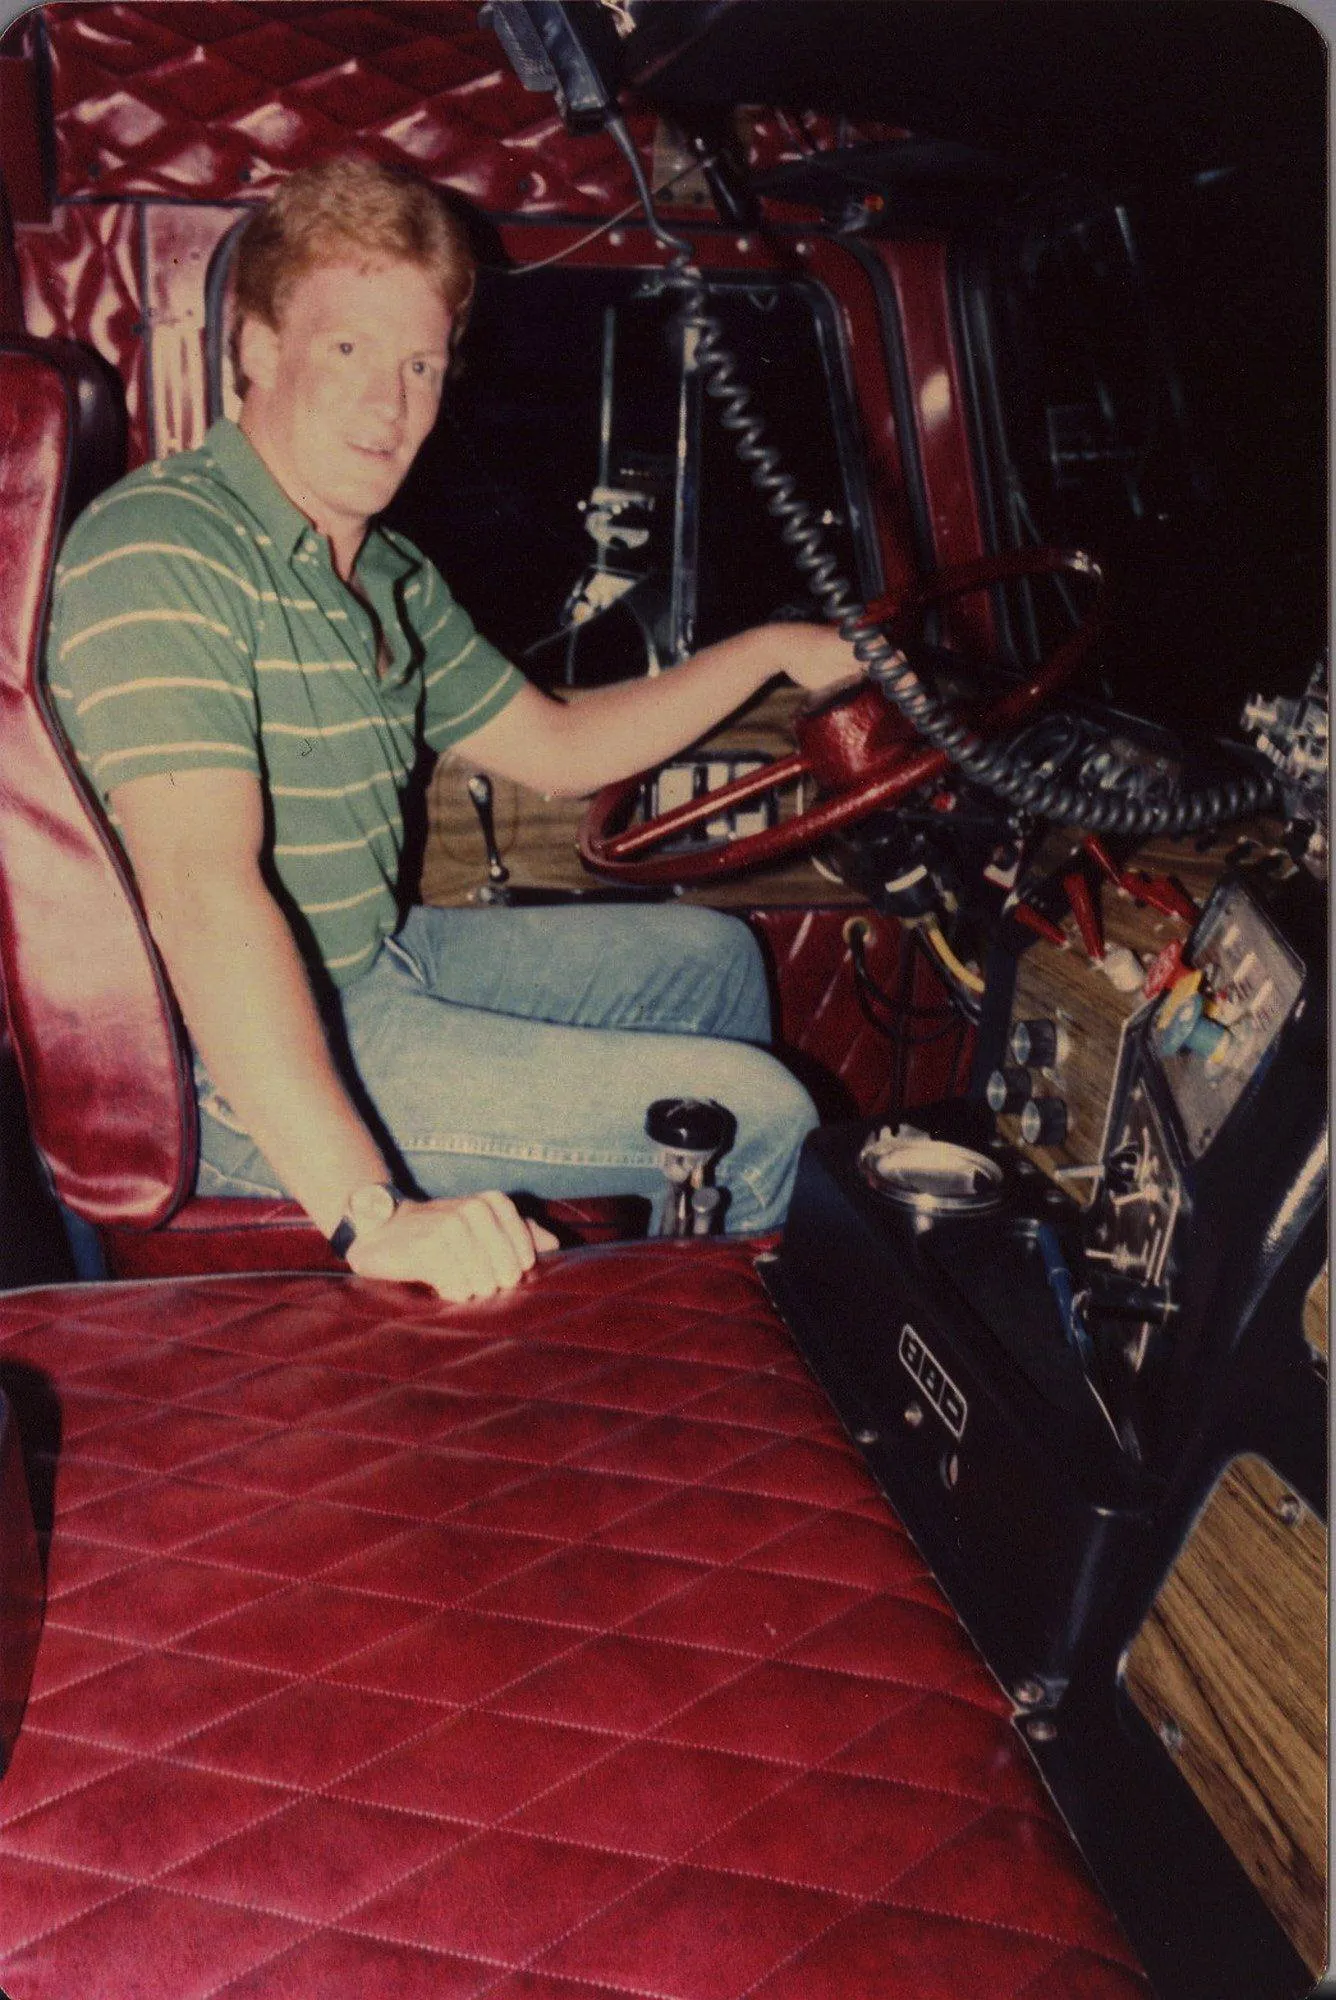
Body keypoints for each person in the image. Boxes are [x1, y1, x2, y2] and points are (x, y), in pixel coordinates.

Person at [47, 155, 859, 1302]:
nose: (391, 405)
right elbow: (199, 890)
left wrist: (773, 646)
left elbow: (561, 745)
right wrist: (371, 1214)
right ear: (260, 350)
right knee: (765, 1117)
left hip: (368, 962)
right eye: (348, 351)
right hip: (217, 1062)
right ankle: (705, 1404)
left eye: (419, 365)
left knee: (712, 958)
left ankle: (646, 1300)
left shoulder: (383, 572)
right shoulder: (163, 550)